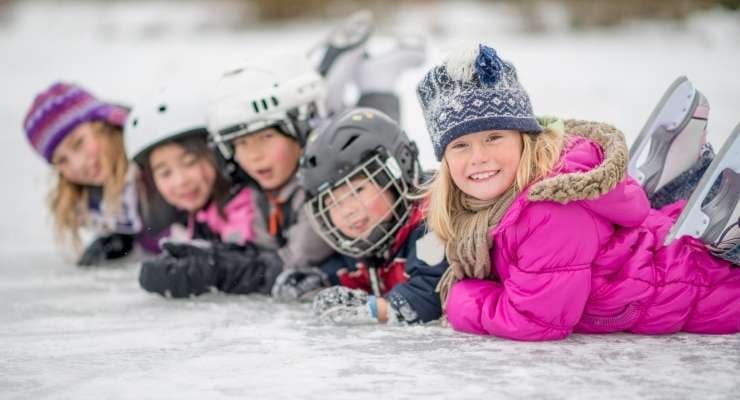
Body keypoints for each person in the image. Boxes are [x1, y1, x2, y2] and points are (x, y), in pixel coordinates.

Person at [417, 44, 740, 340]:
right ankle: (686, 188)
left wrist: (461, 298)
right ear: (445, 160)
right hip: (658, 264)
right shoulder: (485, 206)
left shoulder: (548, 211)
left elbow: (534, 320)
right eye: (460, 145)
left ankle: (712, 203)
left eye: (494, 137)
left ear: (525, 138)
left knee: (698, 258)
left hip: (711, 293)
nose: (478, 157)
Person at [126, 82, 280, 298]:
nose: (180, 181)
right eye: (165, 173)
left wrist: (215, 268)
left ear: (216, 153)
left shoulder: (249, 202)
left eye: (190, 162)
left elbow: (272, 265)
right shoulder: (195, 213)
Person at [301, 107, 447, 324]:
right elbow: (345, 272)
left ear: (397, 172)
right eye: (333, 202)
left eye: (357, 191)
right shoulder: (368, 239)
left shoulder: (430, 221)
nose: (347, 210)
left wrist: (371, 309)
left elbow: (430, 294)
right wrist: (315, 281)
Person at [23, 82, 146, 266]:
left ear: (104, 125)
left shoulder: (159, 161)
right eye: (62, 161)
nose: (78, 164)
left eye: (78, 143)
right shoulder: (96, 205)